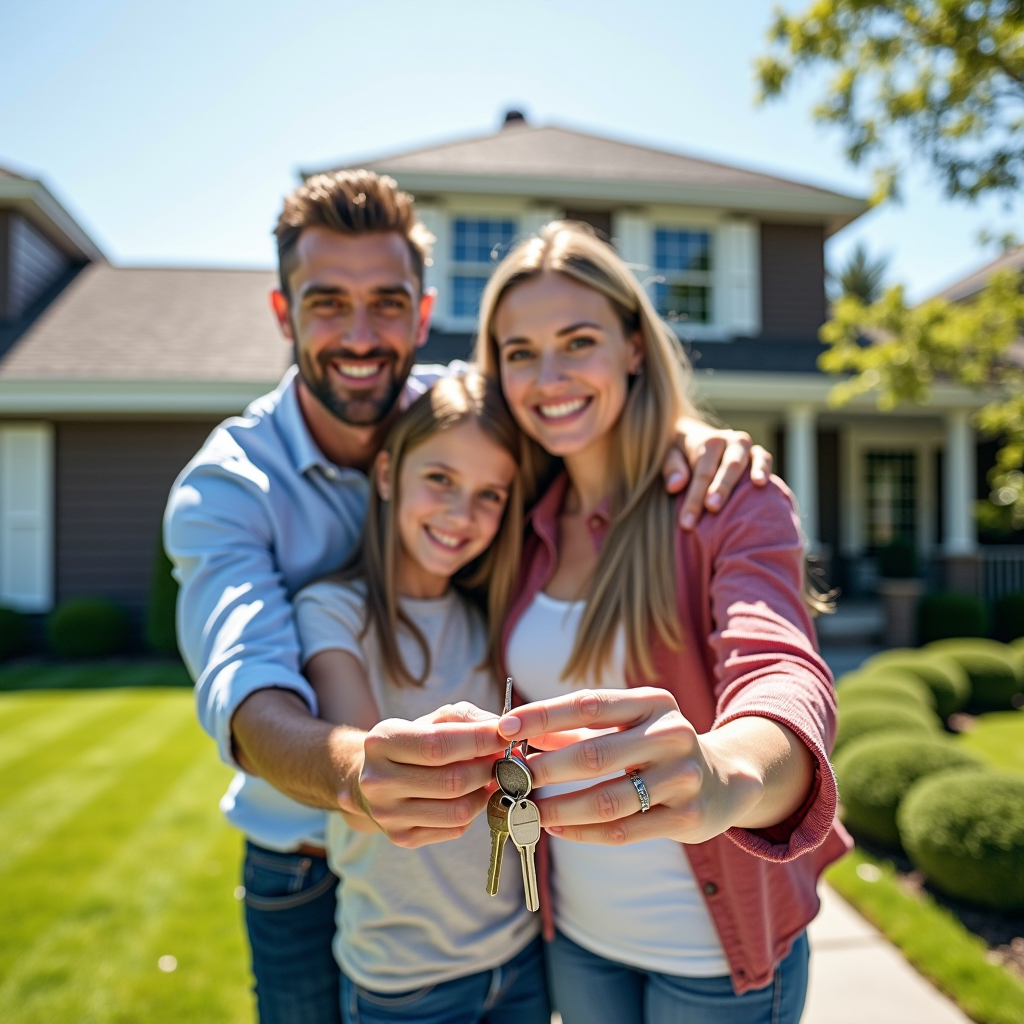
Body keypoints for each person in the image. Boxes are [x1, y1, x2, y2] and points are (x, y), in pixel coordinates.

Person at [164, 171, 772, 1023]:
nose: (361, 334)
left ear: (423, 313)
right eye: (328, 302)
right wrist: (353, 773)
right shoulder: (229, 488)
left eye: (387, 303)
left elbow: (570, 400)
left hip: (484, 910)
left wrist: (687, 435)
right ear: (282, 313)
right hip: (300, 852)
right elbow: (245, 684)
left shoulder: (464, 413)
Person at [467, 221, 850, 1024]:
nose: (549, 376)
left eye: (578, 341)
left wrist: (729, 776)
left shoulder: (721, 498)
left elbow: (779, 666)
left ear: (633, 347)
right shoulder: (515, 524)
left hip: (714, 958)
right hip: (576, 939)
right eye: (520, 351)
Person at [294, 369, 549, 1024]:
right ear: (386, 475)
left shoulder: (494, 619)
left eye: (490, 494)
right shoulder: (333, 612)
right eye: (440, 479)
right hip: (404, 980)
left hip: (520, 959)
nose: (462, 514)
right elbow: (360, 797)